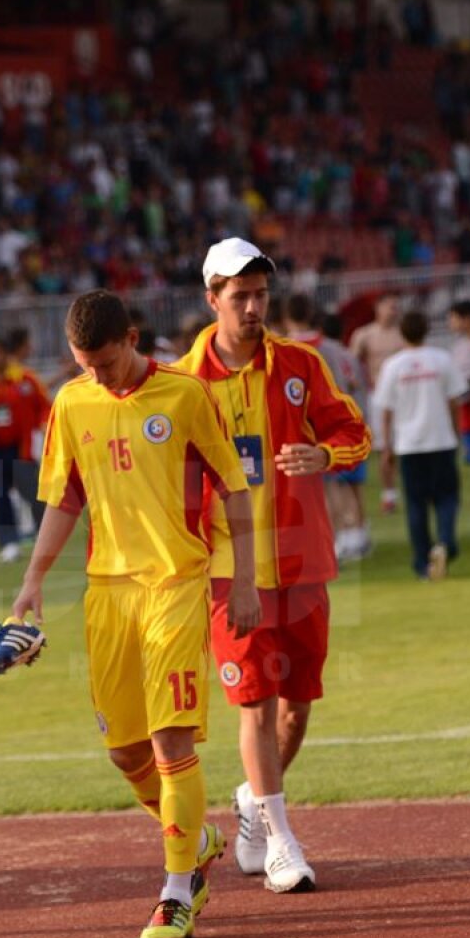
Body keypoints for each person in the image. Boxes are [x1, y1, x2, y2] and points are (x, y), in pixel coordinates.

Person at [11, 289, 260, 938]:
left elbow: (234, 484)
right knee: (125, 749)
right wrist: (33, 579)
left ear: (132, 337)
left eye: (106, 360)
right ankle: (196, 837)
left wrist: (244, 578)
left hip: (177, 583)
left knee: (170, 740)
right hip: (107, 593)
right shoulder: (71, 402)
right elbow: (65, 498)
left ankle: (178, 889)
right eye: (84, 363)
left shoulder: (184, 393)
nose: (97, 374)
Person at [176, 238, 370, 893]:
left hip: (303, 559)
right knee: (254, 706)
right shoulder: (183, 384)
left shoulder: (301, 364)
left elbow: (355, 432)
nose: (254, 307)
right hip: (230, 571)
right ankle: (284, 839)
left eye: (261, 295)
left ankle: (255, 799)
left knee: (296, 709)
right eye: (240, 296)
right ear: (212, 299)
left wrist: (327, 455)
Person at [374, 310, 470, 579]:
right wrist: (455, 432)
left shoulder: (393, 365)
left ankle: (422, 561)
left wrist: (387, 446)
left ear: (401, 333)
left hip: (409, 444)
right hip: (440, 439)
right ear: (426, 330)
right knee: (447, 498)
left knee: (416, 504)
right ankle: (445, 543)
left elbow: (386, 411)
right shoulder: (442, 359)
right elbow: (454, 401)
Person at [283, 294, 373, 561]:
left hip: (308, 431)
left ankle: (336, 541)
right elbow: (355, 386)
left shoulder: (282, 351)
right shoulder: (335, 350)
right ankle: (354, 534)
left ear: (287, 317)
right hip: (342, 424)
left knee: (326, 489)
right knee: (345, 486)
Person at [0, 331, 49, 562]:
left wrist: (43, 425)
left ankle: (44, 538)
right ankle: (8, 543)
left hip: (22, 447)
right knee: (1, 498)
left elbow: (44, 406)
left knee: (34, 494)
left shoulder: (25, 379)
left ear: (6, 354)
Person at [446, 300, 470, 522]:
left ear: (467, 318)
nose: (451, 322)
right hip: (469, 417)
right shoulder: (457, 348)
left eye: (454, 317)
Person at [349, 291, 405, 402]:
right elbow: (351, 362)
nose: (393, 310)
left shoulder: (403, 334)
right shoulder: (364, 334)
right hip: (377, 390)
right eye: (390, 306)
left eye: (395, 307)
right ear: (378, 307)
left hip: (401, 391)